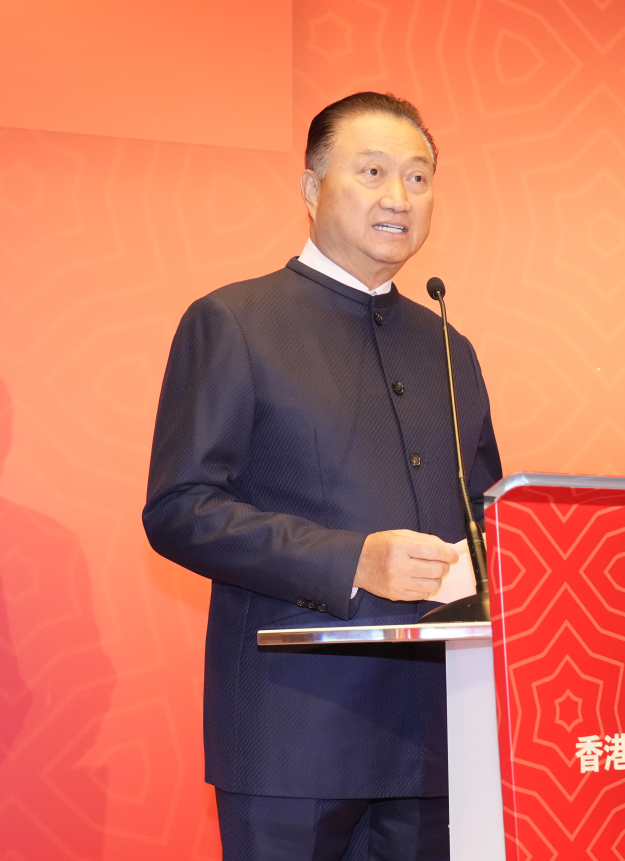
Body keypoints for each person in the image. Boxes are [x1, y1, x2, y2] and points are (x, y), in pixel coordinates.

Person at [143, 92, 502, 861]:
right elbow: (180, 507)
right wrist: (352, 560)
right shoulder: (236, 321)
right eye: (372, 172)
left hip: (436, 740)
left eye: (418, 177)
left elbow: (487, 522)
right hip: (292, 735)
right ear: (311, 188)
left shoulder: (449, 347)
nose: (398, 196)